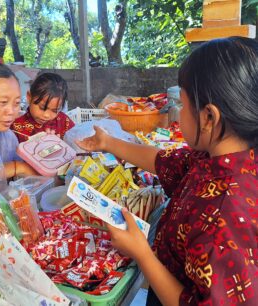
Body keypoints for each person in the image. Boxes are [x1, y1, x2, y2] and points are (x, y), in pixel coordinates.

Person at [77, 36, 258, 305]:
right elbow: (164, 161)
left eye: (183, 105)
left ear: (209, 117)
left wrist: (142, 253)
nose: (179, 113)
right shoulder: (218, 158)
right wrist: (109, 143)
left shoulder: (224, 213)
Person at [11, 72, 75, 143]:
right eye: (42, 108)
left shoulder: (64, 122)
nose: (46, 115)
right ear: (29, 97)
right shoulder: (16, 127)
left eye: (54, 110)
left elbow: (75, 143)